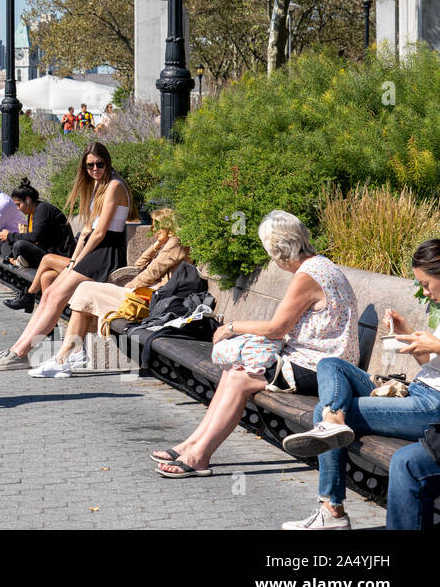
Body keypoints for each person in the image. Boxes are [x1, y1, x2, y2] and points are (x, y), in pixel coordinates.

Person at [151, 211, 359, 478]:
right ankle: (192, 444)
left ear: (279, 250)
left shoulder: (307, 277)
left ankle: (199, 456)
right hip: (319, 359)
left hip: (322, 368)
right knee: (233, 371)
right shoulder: (321, 265)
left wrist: (232, 327)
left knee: (240, 378)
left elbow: (277, 328)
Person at [277, 238, 440, 529]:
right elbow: (432, 366)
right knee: (329, 364)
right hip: (417, 392)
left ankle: (332, 511)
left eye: (427, 284)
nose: (425, 292)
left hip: (431, 407)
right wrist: (412, 338)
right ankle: (334, 418)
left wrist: (437, 346)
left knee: (321, 414)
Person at [0, 142, 132, 372]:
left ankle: (21, 352)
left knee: (56, 295)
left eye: (99, 164)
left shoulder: (114, 186)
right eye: (89, 165)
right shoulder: (97, 186)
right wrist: (74, 260)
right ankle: (17, 348)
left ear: (107, 162)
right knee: (49, 291)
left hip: (106, 253)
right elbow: (85, 233)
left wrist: (76, 262)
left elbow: (100, 232)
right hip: (92, 252)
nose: (94, 169)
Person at [28, 208, 188, 377]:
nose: (154, 231)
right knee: (84, 292)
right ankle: (69, 354)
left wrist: (126, 289)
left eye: (157, 227)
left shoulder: (176, 243)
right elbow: (139, 265)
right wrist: (156, 245)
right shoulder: (167, 244)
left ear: (167, 226)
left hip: (151, 300)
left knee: (86, 289)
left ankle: (67, 356)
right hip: (144, 295)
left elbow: (150, 274)